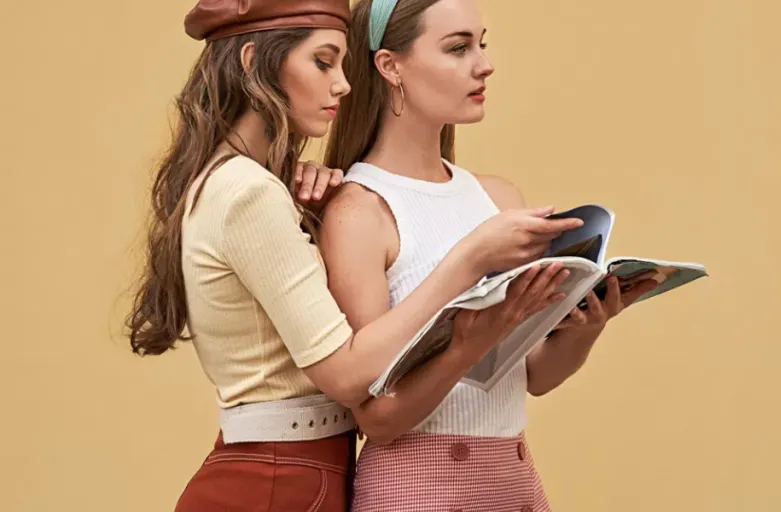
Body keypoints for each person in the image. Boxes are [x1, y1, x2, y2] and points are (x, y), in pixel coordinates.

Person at [124, 1, 582, 510]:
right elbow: (348, 379)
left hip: (295, 469)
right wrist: (469, 261)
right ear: (254, 62)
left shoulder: (253, 186)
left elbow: (531, 373)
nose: (342, 84)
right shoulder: (252, 192)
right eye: (323, 62)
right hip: (280, 477)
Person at [319, 0, 662, 510]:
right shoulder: (359, 211)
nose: (485, 63)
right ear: (391, 66)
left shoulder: (500, 199)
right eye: (458, 48)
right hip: (417, 487)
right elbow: (377, 417)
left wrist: (586, 327)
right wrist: (463, 337)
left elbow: (535, 377)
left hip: (512, 478)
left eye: (481, 42)